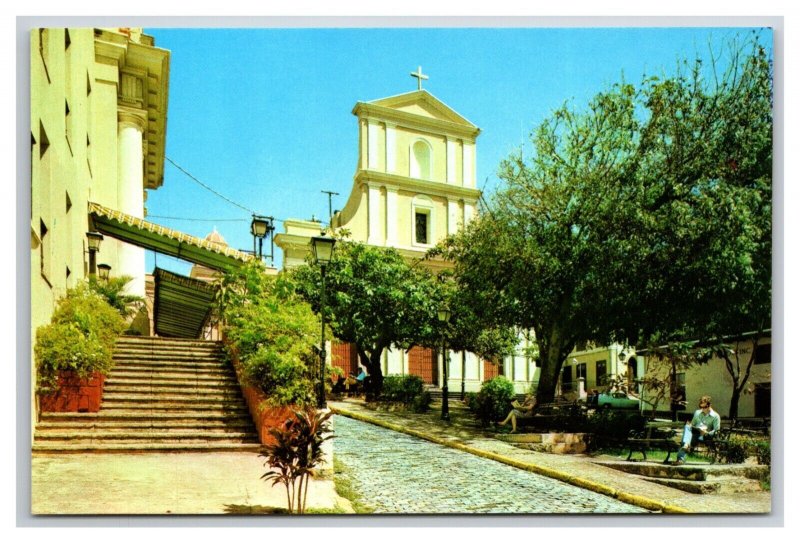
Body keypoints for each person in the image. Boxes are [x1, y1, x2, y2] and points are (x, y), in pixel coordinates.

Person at [674, 395, 721, 465]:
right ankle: (686, 446)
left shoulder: (715, 416)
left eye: (704, 407)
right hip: (696, 434)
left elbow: (717, 430)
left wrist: (706, 433)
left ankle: (681, 457)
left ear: (709, 405)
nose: (703, 409)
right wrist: (691, 425)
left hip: (706, 436)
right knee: (687, 427)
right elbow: (693, 424)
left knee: (685, 439)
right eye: (701, 407)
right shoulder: (697, 412)